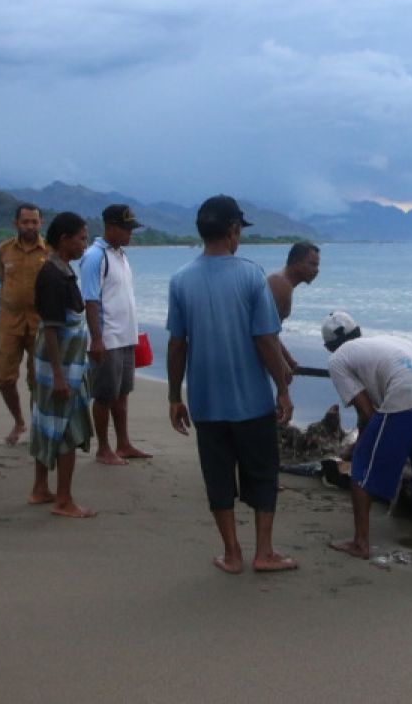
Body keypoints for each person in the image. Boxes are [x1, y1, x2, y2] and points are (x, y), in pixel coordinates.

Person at [167, 195, 297, 574]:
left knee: (218, 476)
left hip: (206, 403)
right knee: (262, 474)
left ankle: (232, 553)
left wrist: (175, 396)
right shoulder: (251, 275)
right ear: (233, 230)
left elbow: (177, 344)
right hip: (252, 402)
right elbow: (265, 339)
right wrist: (283, 388)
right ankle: (265, 552)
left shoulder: (180, 280)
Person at [320, 311, 412, 570]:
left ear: (328, 347)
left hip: (406, 393)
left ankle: (360, 543)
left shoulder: (338, 360)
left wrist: (359, 445)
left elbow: (367, 413)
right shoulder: (384, 341)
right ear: (358, 332)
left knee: (362, 466)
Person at [29, 212, 96, 518]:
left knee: (46, 423)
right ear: (65, 239)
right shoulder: (54, 276)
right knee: (67, 429)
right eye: (82, 238)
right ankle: (64, 499)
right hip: (61, 368)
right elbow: (53, 328)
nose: (85, 244)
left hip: (59, 365)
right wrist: (59, 375)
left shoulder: (60, 270)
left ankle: (41, 488)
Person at [79, 204, 151, 465]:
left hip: (126, 337)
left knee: (122, 393)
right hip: (107, 339)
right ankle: (103, 448)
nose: (130, 233)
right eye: (126, 228)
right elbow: (90, 300)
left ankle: (123, 443)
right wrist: (97, 339)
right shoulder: (95, 256)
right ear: (110, 227)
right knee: (104, 395)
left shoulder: (120, 254)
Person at [0, 203, 48, 446]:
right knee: (4, 378)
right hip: (10, 323)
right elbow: (2, 280)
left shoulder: (50, 250)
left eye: (34, 222)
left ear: (41, 223)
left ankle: (37, 423)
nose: (30, 226)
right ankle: (18, 420)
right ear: (16, 223)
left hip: (40, 324)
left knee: (37, 379)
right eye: (25, 221)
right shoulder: (4, 250)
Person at [267, 241, 320, 369]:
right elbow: (266, 335)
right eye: (312, 264)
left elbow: (270, 332)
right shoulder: (280, 286)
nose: (316, 270)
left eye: (317, 265)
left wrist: (289, 360)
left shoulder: (282, 283)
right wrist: (282, 370)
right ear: (296, 262)